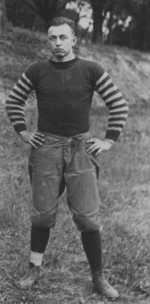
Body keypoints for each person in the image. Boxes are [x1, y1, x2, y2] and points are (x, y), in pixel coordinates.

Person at [6, 16, 128, 299]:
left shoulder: (91, 69)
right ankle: (34, 268)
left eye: (63, 37)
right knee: (43, 213)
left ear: (74, 40)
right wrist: (23, 131)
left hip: (80, 150)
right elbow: (13, 100)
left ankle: (98, 278)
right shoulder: (37, 70)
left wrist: (108, 140)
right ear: (47, 40)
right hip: (46, 149)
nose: (58, 43)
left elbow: (118, 103)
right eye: (52, 38)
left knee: (87, 217)